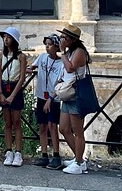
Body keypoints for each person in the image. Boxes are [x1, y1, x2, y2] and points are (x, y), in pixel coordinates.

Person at [57, 24, 90, 175]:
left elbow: (70, 68)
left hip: (76, 93)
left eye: (64, 37)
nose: (61, 40)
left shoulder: (79, 52)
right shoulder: (70, 51)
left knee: (78, 131)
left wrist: (62, 53)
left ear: (71, 40)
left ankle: (78, 163)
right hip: (68, 93)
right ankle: (79, 159)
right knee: (63, 128)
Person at [28, 34, 64, 170]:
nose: (47, 47)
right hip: (41, 96)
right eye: (46, 44)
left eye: (50, 44)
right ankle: (44, 154)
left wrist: (51, 98)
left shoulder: (61, 63)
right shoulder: (42, 57)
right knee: (42, 125)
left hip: (53, 98)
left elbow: (61, 82)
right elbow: (32, 67)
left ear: (56, 46)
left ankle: (56, 155)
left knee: (52, 125)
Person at [0, 26, 27, 167]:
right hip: (4, 87)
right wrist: (1, 93)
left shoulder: (21, 56)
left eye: (8, 37)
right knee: (7, 122)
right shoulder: (0, 56)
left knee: (17, 122)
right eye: (4, 37)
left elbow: (21, 78)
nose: (5, 39)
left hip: (15, 88)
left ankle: (18, 152)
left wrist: (13, 96)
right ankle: (9, 151)